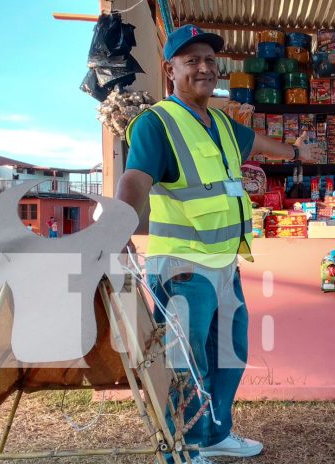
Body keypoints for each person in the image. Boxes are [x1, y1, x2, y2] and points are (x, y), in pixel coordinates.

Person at [115, 24, 322, 464]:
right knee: (184, 363)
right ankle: (182, 447)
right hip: (182, 269)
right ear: (171, 70)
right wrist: (118, 230)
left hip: (225, 263)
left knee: (228, 354)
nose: (205, 68)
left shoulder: (222, 124)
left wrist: (296, 153)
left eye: (210, 60)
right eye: (192, 61)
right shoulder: (157, 124)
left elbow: (257, 143)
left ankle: (214, 434)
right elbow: (134, 179)